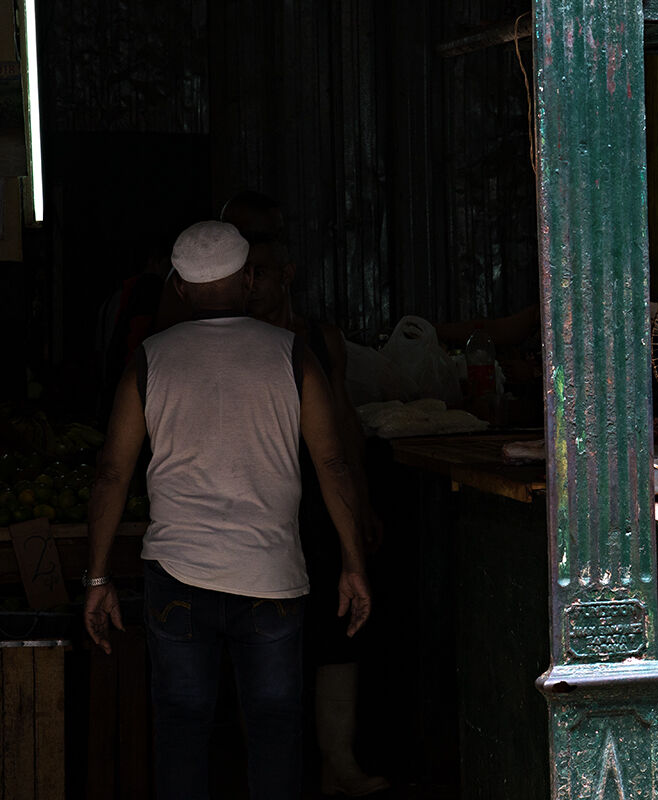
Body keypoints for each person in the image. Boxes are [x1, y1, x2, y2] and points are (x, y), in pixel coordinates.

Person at [83, 221, 372, 800]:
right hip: (270, 577)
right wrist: (353, 563)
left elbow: (113, 472)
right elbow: (333, 464)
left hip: (176, 575)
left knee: (182, 729)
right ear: (247, 278)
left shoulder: (150, 359)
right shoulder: (292, 355)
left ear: (183, 289)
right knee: (273, 729)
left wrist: (96, 577)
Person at [222, 190, 390, 797]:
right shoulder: (227, 340)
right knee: (258, 634)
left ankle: (337, 764)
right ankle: (269, 774)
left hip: (319, 503)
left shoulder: (320, 339)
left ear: (286, 275)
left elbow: (343, 427)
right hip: (255, 505)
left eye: (262, 273)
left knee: (338, 628)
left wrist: (361, 501)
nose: (253, 285)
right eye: (244, 275)